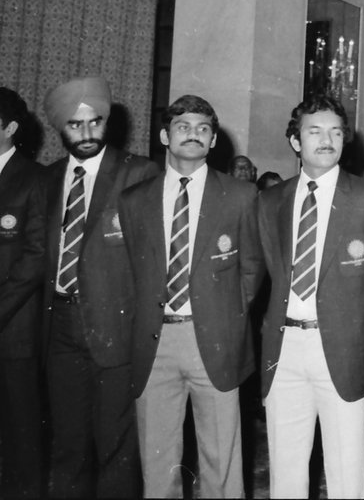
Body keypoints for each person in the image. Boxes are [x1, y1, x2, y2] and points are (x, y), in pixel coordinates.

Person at [117, 95, 265, 497]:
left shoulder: (240, 196)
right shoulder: (134, 200)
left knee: (222, 458)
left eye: (203, 129)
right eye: (184, 127)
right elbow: (129, 272)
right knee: (158, 457)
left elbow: (252, 267)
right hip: (154, 343)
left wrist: (226, 316)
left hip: (216, 340)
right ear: (165, 135)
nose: (194, 135)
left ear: (214, 140)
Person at [256, 94, 364, 498]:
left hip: (341, 346)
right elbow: (268, 270)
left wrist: (348, 326)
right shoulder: (270, 201)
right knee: (285, 469)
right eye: (314, 131)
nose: (327, 140)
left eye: (336, 131)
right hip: (284, 348)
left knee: (347, 469)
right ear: (295, 142)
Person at [39, 77, 161, 497]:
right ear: (60, 128)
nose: (87, 134)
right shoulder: (48, 179)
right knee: (68, 444)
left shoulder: (139, 172)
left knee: (117, 447)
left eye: (96, 123)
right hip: (59, 329)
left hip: (117, 328)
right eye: (75, 125)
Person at [0, 88, 47, 498]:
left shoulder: (34, 178)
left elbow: (35, 255)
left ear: (10, 129)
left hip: (12, 329)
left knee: (21, 432)